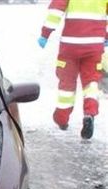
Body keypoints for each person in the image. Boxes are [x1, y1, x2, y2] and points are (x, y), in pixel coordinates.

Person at [38, 0, 108, 139]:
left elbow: (55, 12)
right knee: (91, 82)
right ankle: (89, 113)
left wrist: (45, 34)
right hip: (94, 46)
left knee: (67, 84)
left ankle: (62, 119)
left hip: (70, 46)